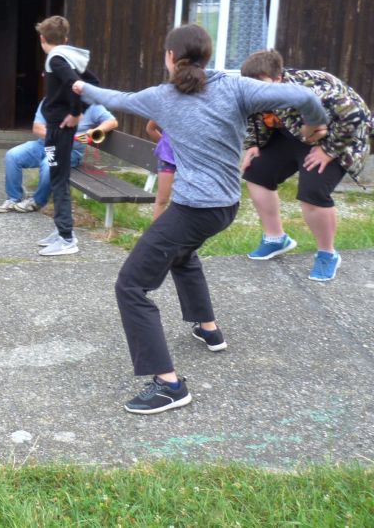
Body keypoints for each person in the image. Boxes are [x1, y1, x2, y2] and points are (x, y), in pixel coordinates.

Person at [73, 24, 329, 415]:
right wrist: (313, 125)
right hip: (225, 207)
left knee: (131, 286)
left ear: (170, 57)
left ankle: (168, 385)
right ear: (207, 56)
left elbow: (115, 99)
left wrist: (81, 88)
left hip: (195, 210)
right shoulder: (235, 86)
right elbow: (305, 96)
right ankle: (208, 328)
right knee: (182, 254)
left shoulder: (162, 96)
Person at [238, 49, 372, 281]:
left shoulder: (310, 89)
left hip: (340, 138)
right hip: (297, 134)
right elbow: (256, 116)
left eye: (261, 85)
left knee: (313, 192)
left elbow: (355, 116)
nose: (256, 91)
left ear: (278, 78)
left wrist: (329, 150)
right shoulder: (256, 89)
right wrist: (253, 145)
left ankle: (327, 254)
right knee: (256, 172)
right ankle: (276, 238)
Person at [34, 16, 93, 256]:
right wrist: (80, 109)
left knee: (58, 179)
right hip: (53, 131)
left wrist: (77, 113)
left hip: (60, 130)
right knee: (54, 173)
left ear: (42, 38)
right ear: (65, 39)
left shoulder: (56, 59)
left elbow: (75, 84)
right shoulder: (65, 57)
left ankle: (67, 238)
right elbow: (93, 82)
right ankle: (61, 229)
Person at [0, 101, 117, 213]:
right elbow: (37, 128)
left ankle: (37, 201)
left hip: (70, 151)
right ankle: (14, 198)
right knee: (12, 155)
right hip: (42, 145)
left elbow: (112, 122)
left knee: (49, 164)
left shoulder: (91, 105)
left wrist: (97, 130)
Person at [145, 120, 176, 221]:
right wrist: (165, 146)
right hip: (168, 159)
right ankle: (155, 229)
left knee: (188, 202)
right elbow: (150, 128)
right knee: (162, 200)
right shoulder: (169, 109)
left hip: (191, 160)